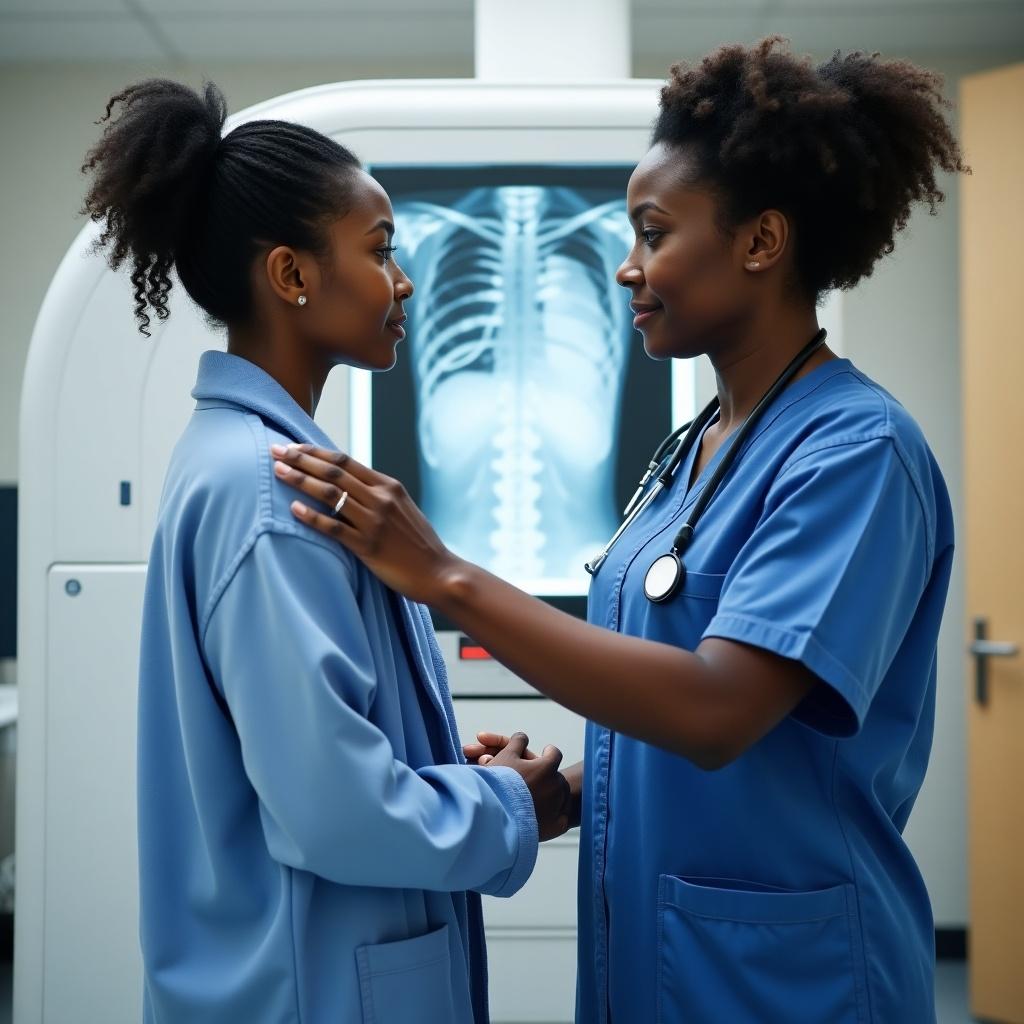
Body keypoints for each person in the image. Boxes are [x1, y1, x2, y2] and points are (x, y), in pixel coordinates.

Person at [271, 38, 967, 1023]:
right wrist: (563, 787)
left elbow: (719, 710)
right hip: (654, 953)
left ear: (760, 243)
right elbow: (692, 711)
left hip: (789, 977)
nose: (625, 267)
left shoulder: (854, 452)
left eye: (652, 232)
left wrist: (446, 578)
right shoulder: (697, 447)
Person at [81, 78, 570, 1024]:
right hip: (314, 992)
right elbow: (336, 811)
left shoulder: (245, 462)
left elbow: (299, 746)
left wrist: (436, 761)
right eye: (381, 250)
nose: (404, 281)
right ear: (292, 275)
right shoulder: (273, 491)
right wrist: (515, 807)